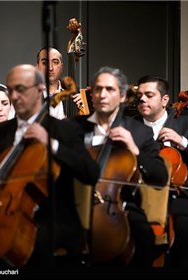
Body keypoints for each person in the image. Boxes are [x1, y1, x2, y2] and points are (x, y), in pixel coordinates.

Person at [0, 64, 100, 266]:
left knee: (27, 248)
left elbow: (90, 172)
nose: (14, 96)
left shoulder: (64, 130)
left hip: (52, 218)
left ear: (39, 90)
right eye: (11, 90)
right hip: (1, 213)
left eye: (21, 89)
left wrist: (51, 143)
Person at [72, 66, 169, 267]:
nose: (102, 95)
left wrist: (134, 149)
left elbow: (159, 177)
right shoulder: (75, 127)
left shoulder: (139, 131)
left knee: (144, 237)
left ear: (123, 96)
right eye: (97, 89)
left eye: (110, 89)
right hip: (75, 204)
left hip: (118, 206)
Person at [135, 75, 188, 267]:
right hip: (140, 195)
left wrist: (183, 142)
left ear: (165, 100)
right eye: (139, 95)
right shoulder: (130, 126)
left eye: (149, 95)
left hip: (180, 196)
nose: (142, 99)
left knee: (185, 224)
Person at [36, 47, 88, 119]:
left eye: (55, 62)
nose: (50, 68)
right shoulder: (30, 93)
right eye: (45, 63)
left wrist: (86, 105)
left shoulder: (75, 92)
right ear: (37, 66)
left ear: (61, 67)